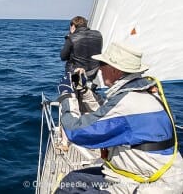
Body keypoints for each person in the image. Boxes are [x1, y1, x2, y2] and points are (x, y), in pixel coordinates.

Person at [55, 42, 183, 193]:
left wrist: (67, 97)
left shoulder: (129, 103)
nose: (100, 69)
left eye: (102, 64)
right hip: (140, 173)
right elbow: (108, 116)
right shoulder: (144, 93)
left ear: (114, 70)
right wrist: (84, 91)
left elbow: (75, 131)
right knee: (71, 181)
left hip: (151, 184)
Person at [60, 16, 103, 81]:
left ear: (73, 26)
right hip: (94, 73)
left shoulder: (71, 38)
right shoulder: (98, 34)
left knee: (69, 62)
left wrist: (70, 35)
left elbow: (63, 57)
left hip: (77, 74)